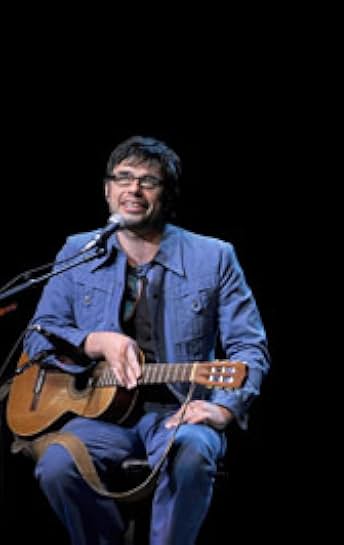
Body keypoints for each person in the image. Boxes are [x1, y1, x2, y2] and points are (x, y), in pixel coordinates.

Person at [19, 136, 270, 545]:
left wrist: (224, 410)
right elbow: (39, 335)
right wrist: (95, 341)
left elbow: (249, 348)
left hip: (177, 410)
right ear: (107, 189)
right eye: (124, 177)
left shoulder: (215, 256)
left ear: (166, 195)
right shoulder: (78, 250)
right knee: (55, 465)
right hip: (99, 417)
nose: (133, 189)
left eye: (148, 181)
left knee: (190, 453)